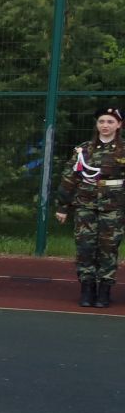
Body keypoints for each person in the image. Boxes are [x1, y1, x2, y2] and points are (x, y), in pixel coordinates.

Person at [56, 105, 125, 307]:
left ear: (119, 125)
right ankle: (87, 289)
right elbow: (70, 177)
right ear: (96, 124)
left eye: (110, 122)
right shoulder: (84, 149)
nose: (105, 125)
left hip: (114, 208)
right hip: (85, 206)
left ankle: (104, 290)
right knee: (85, 248)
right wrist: (62, 206)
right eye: (102, 121)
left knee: (108, 249)